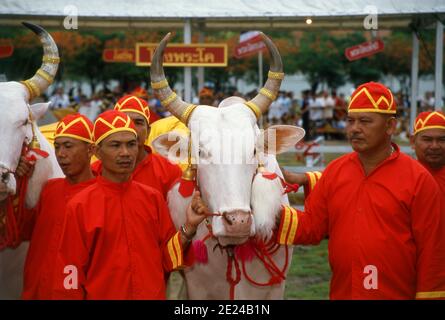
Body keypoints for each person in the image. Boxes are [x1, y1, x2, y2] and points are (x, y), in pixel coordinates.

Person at [277, 82, 445, 299]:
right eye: (350, 121)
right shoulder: (335, 171)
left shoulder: (418, 179)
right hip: (343, 293)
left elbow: (433, 252)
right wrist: (265, 212)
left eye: (365, 121)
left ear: (390, 126)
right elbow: (311, 227)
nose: (354, 128)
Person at [51, 110, 207, 299]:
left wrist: (189, 227)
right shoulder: (80, 205)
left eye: (131, 144)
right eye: (115, 145)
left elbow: (167, 259)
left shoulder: (152, 198)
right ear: (97, 151)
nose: (125, 153)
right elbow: (70, 268)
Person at [22, 113, 96, 299]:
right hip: (36, 291)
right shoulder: (49, 190)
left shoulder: (102, 196)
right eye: (57, 146)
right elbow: (23, 232)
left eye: (68, 146)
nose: (61, 154)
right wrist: (20, 181)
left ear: (90, 150)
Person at [91, 95, 182, 199]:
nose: (132, 128)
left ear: (148, 131)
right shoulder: (94, 172)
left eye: (138, 122)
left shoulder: (170, 171)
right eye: (125, 121)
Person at [411, 111, 445, 194]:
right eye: (427, 140)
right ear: (412, 142)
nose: (435, 146)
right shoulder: (402, 176)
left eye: (442, 140)